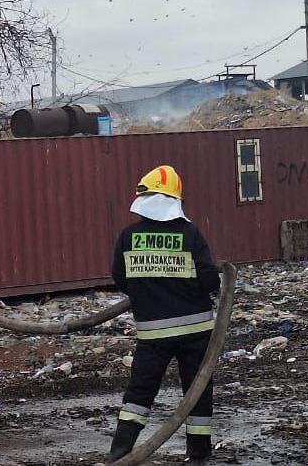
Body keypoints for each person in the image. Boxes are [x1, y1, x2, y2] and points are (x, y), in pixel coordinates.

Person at [108, 166, 221, 465]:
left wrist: (149, 290)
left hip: (152, 335)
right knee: (196, 392)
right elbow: (210, 281)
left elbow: (120, 278)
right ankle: (198, 455)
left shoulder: (128, 236)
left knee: (139, 394)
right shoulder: (190, 233)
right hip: (195, 332)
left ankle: (120, 453)